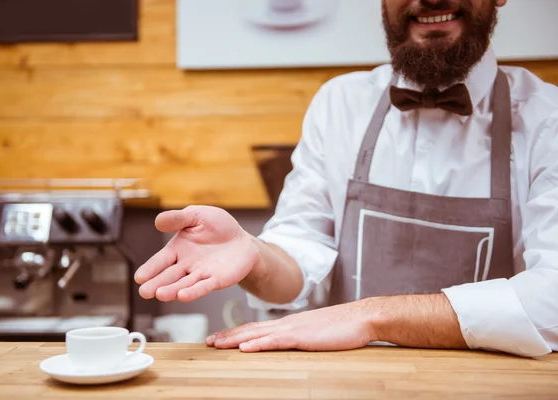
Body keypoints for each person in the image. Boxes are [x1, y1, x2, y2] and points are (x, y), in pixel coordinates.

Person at [134, 0, 558, 357]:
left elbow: (551, 300)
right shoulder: (339, 104)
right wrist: (255, 254)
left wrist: (368, 315)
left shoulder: (547, 120)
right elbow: (297, 256)